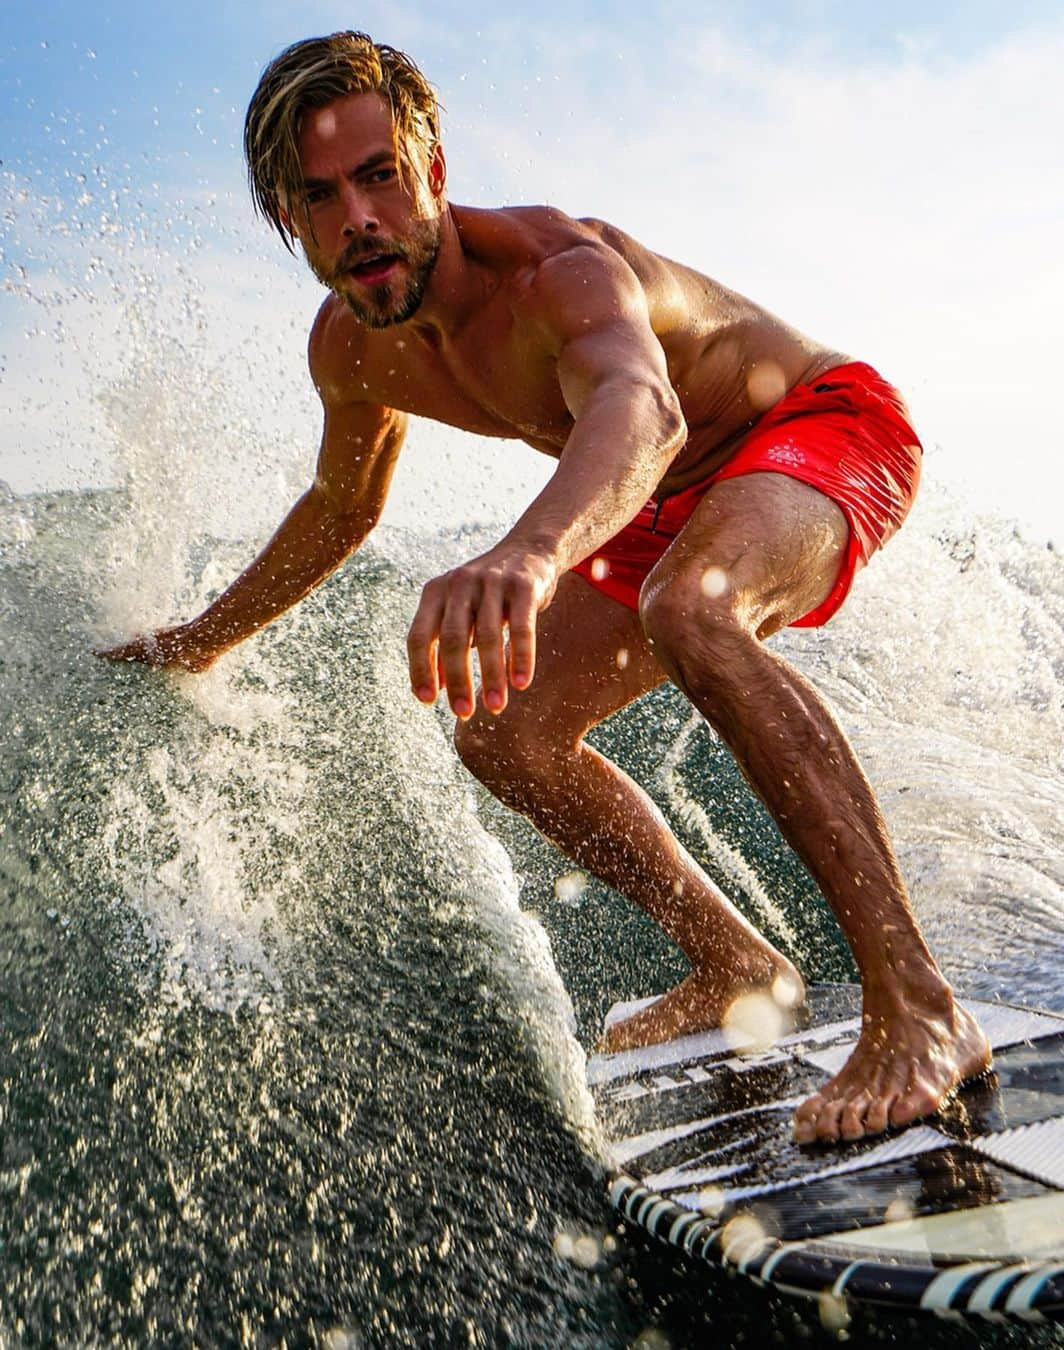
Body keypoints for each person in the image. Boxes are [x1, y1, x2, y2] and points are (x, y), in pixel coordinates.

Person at [99, 32, 991, 1144]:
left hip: (817, 427)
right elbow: (342, 509)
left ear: (433, 169)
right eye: (319, 196)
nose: (359, 219)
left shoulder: (557, 273)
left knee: (693, 607)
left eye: (380, 175)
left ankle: (920, 1009)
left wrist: (528, 551)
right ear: (289, 222)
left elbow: (644, 407)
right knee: (507, 732)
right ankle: (735, 965)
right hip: (672, 499)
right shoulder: (355, 350)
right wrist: (203, 638)